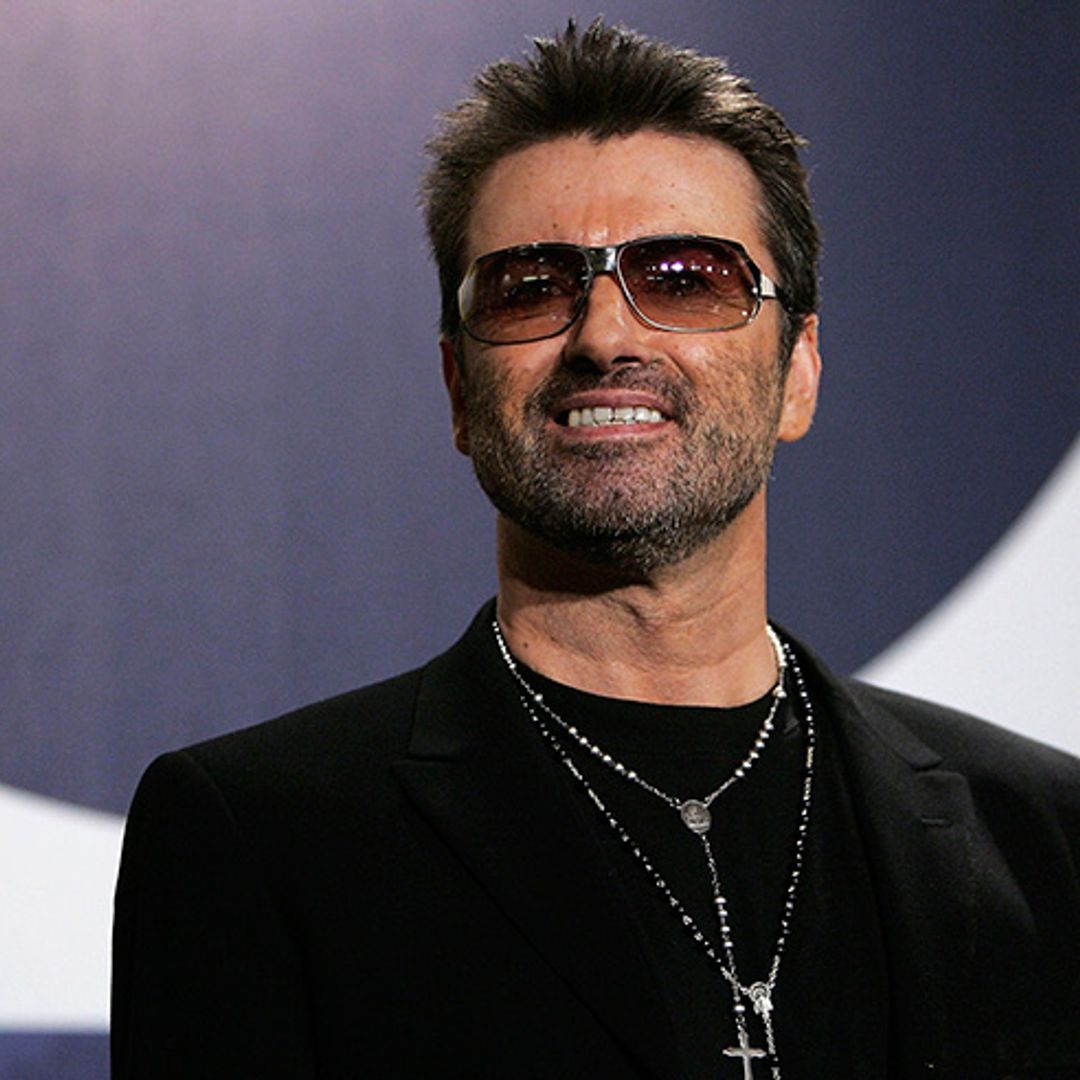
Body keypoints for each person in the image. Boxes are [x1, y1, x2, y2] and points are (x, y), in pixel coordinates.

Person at [111, 19, 1080, 1080]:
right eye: (531, 289)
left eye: (687, 277)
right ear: (458, 390)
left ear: (799, 371)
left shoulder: (1044, 834)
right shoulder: (263, 839)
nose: (606, 338)